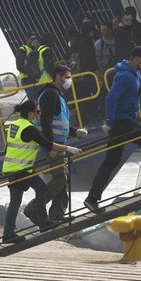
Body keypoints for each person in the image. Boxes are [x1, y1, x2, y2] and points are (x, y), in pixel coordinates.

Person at [83, 47, 141, 212]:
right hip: (121, 123)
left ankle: (92, 199)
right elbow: (110, 98)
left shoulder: (137, 74)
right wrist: (110, 121)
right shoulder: (125, 76)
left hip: (124, 122)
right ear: (135, 58)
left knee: (111, 161)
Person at [1, 99, 82, 243]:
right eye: (37, 112)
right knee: (41, 189)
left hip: (11, 169)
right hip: (22, 169)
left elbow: (10, 148)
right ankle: (43, 223)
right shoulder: (29, 128)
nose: (39, 114)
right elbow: (48, 145)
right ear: (31, 113)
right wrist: (69, 149)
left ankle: (8, 234)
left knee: (15, 202)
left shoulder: (14, 126)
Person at [38, 65, 88, 222]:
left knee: (61, 179)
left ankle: (56, 216)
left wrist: (75, 132)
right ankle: (36, 207)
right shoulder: (51, 94)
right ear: (58, 77)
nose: (69, 81)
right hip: (54, 145)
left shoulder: (57, 94)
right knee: (61, 179)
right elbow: (45, 121)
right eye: (67, 77)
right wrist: (50, 145)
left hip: (58, 143)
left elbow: (59, 122)